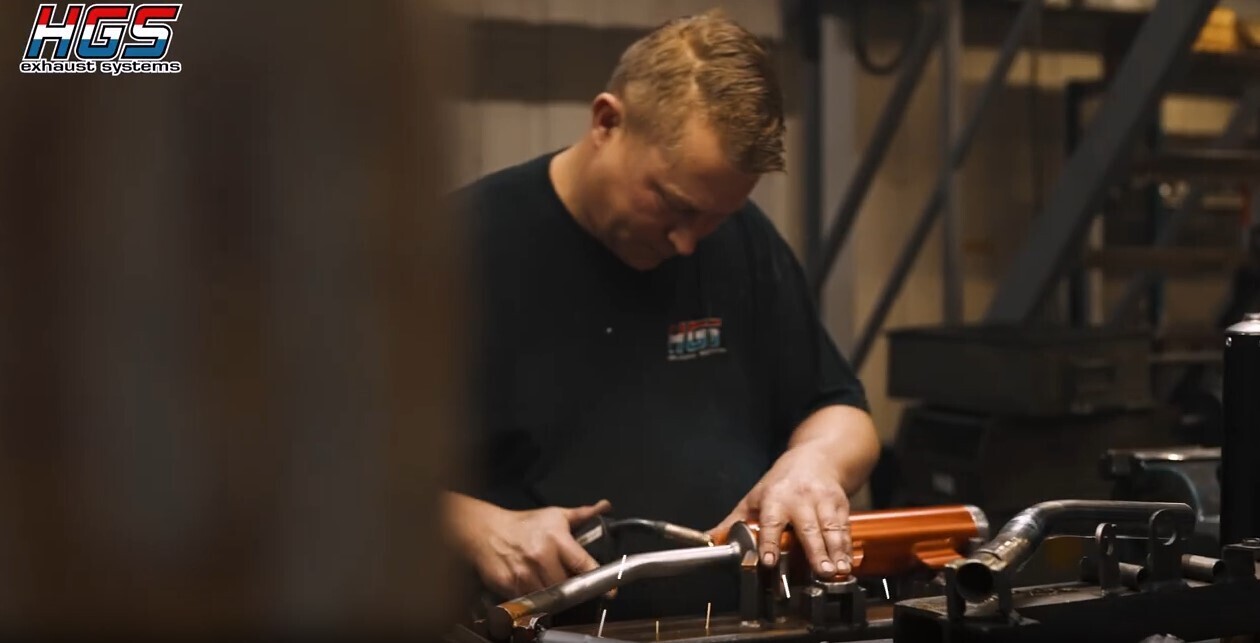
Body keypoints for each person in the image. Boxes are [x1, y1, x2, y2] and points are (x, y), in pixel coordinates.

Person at [445, 10, 880, 621]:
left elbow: (841, 411)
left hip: (730, 626)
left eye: (716, 218)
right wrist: (474, 527)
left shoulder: (742, 240)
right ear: (607, 122)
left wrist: (812, 462)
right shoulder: (460, 246)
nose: (687, 244)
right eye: (674, 206)